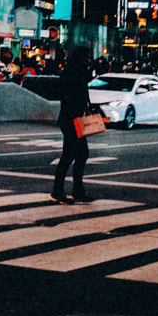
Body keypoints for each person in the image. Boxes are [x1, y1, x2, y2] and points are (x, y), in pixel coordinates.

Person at [52, 46, 93, 204]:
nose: (89, 60)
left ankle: (77, 189)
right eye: (87, 56)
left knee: (80, 153)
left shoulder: (72, 71)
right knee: (71, 154)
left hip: (71, 119)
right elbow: (73, 96)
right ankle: (59, 191)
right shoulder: (75, 72)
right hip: (72, 120)